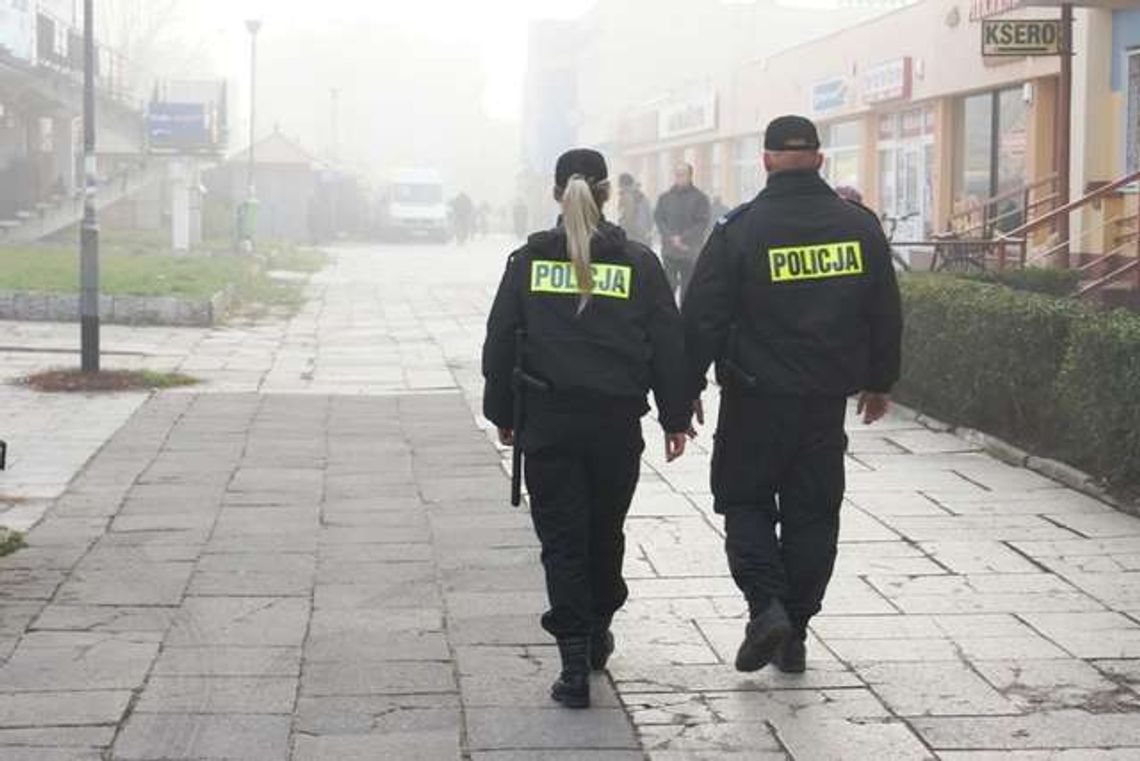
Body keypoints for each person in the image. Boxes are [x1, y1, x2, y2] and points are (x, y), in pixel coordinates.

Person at [682, 115, 902, 676]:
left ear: (766, 160)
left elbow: (702, 319)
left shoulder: (741, 230)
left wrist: (681, 396)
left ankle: (768, 608)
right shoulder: (858, 227)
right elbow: (885, 310)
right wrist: (880, 381)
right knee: (813, 515)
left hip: (755, 401)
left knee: (745, 500)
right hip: (824, 404)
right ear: (821, 161)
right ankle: (795, 630)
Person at [482, 148, 692, 709]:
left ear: (557, 194)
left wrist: (503, 412)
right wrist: (676, 417)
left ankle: (574, 661)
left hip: (548, 425)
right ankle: (597, 628)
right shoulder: (640, 264)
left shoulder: (526, 263)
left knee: (563, 542)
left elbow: (500, 342)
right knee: (605, 533)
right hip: (614, 427)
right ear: (606, 194)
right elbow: (669, 347)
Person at [655, 163, 710, 299]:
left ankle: (686, 317)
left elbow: (702, 222)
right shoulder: (665, 198)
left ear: (690, 176)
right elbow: (659, 219)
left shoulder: (700, 198)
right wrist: (670, 237)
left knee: (688, 289)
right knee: (668, 287)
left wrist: (683, 238)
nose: (679, 177)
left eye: (683, 174)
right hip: (669, 251)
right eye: (677, 174)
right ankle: (669, 317)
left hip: (689, 251)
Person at [617, 172, 654, 247]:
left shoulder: (626, 197)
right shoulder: (643, 197)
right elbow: (650, 218)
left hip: (632, 239)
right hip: (644, 239)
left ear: (623, 185)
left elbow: (628, 220)